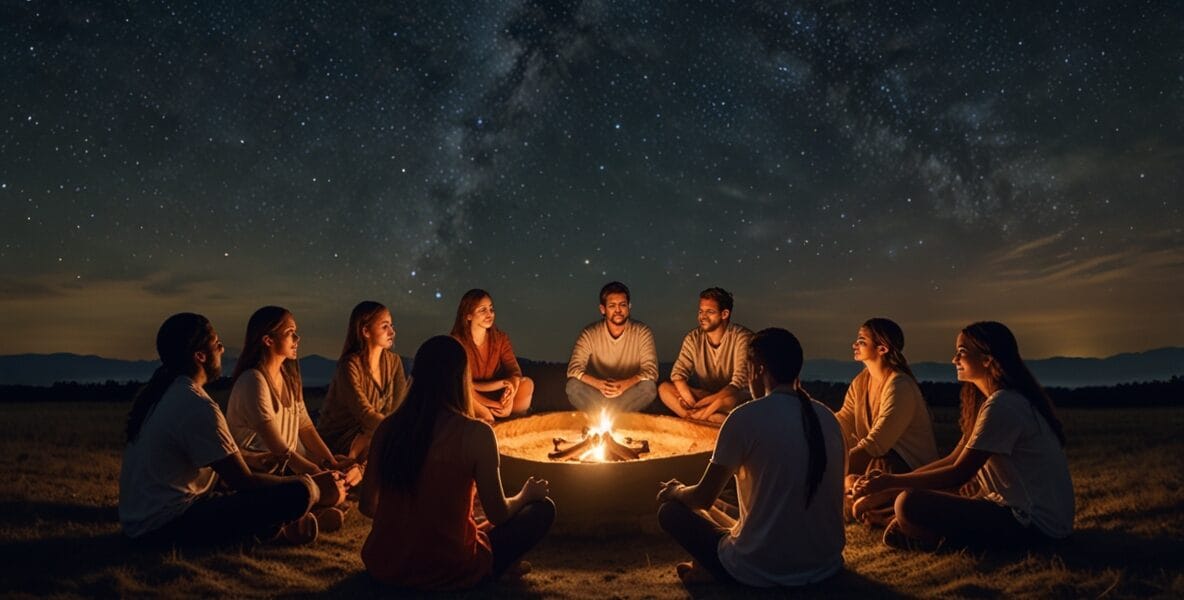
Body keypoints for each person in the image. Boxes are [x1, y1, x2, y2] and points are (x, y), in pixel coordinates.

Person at [853, 321, 1074, 550]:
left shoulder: (1004, 405)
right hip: (1019, 515)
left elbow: (959, 473)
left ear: (987, 359)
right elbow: (953, 459)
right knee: (909, 501)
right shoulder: (993, 403)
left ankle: (929, 536)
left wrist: (891, 484)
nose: (954, 360)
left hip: (1034, 525)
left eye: (962, 352)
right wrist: (890, 484)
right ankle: (912, 528)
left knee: (909, 503)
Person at [359, 336, 555, 591]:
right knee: (542, 510)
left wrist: (409, 521)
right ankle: (498, 569)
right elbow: (498, 513)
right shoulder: (476, 434)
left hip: (386, 565)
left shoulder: (389, 428)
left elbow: (367, 505)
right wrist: (525, 495)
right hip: (449, 568)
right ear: (461, 379)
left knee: (474, 524)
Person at [656, 328, 845, 587]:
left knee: (671, 511)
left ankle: (709, 569)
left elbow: (702, 497)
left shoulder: (745, 418)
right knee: (722, 507)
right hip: (825, 563)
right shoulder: (827, 418)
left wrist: (676, 491)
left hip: (759, 568)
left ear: (758, 369)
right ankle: (705, 566)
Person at [119, 313, 326, 546]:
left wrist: (254, 460)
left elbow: (218, 461)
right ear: (200, 356)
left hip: (141, 523)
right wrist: (309, 482)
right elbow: (243, 481)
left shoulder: (167, 394)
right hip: (166, 525)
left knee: (267, 488)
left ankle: (280, 529)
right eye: (217, 343)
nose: (222, 349)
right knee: (301, 491)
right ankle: (279, 529)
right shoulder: (195, 404)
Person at [227, 306, 356, 530]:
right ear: (268, 340)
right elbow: (279, 448)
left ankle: (308, 514)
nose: (297, 339)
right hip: (258, 470)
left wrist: (331, 463)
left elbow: (305, 427)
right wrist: (318, 473)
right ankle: (300, 517)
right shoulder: (253, 380)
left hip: (285, 467)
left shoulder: (288, 378)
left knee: (335, 484)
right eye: (290, 333)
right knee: (328, 488)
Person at [835, 318, 938, 522]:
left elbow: (875, 445)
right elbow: (843, 421)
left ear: (882, 348)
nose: (855, 345)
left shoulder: (899, 386)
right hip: (874, 466)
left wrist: (829, 469)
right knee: (850, 481)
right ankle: (862, 503)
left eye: (861, 341)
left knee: (874, 469)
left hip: (905, 470)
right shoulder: (861, 382)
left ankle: (878, 507)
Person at [318, 301, 409, 462]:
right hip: (342, 437)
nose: (392, 332)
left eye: (391, 325)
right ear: (366, 331)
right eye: (385, 326)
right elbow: (364, 413)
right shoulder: (350, 365)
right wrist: (395, 431)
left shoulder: (394, 362)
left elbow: (399, 406)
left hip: (376, 432)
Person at [658, 287, 753, 424]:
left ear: (724, 314)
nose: (702, 316)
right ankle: (707, 418)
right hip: (707, 397)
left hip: (733, 399)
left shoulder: (742, 338)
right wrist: (690, 400)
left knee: (727, 400)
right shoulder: (693, 338)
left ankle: (700, 418)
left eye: (710, 312)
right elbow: (678, 375)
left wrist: (707, 403)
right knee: (664, 389)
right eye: (701, 311)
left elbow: (737, 384)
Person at [565, 281, 658, 413]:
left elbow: (651, 370)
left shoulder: (642, 332)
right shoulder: (590, 333)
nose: (618, 310)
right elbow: (573, 369)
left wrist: (624, 385)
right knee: (573, 386)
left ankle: (613, 416)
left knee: (648, 388)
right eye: (612, 306)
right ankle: (606, 416)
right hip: (597, 394)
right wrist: (599, 384)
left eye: (622, 305)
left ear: (629, 306)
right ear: (603, 309)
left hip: (627, 393)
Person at [450, 289, 534, 421]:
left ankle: (512, 421)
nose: (489, 314)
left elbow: (514, 371)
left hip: (495, 393)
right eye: (482, 310)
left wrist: (509, 397)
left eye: (491, 309)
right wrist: (494, 403)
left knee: (526, 384)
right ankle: (487, 419)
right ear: (468, 316)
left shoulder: (500, 338)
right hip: (471, 396)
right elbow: (463, 384)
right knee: (464, 393)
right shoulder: (456, 343)